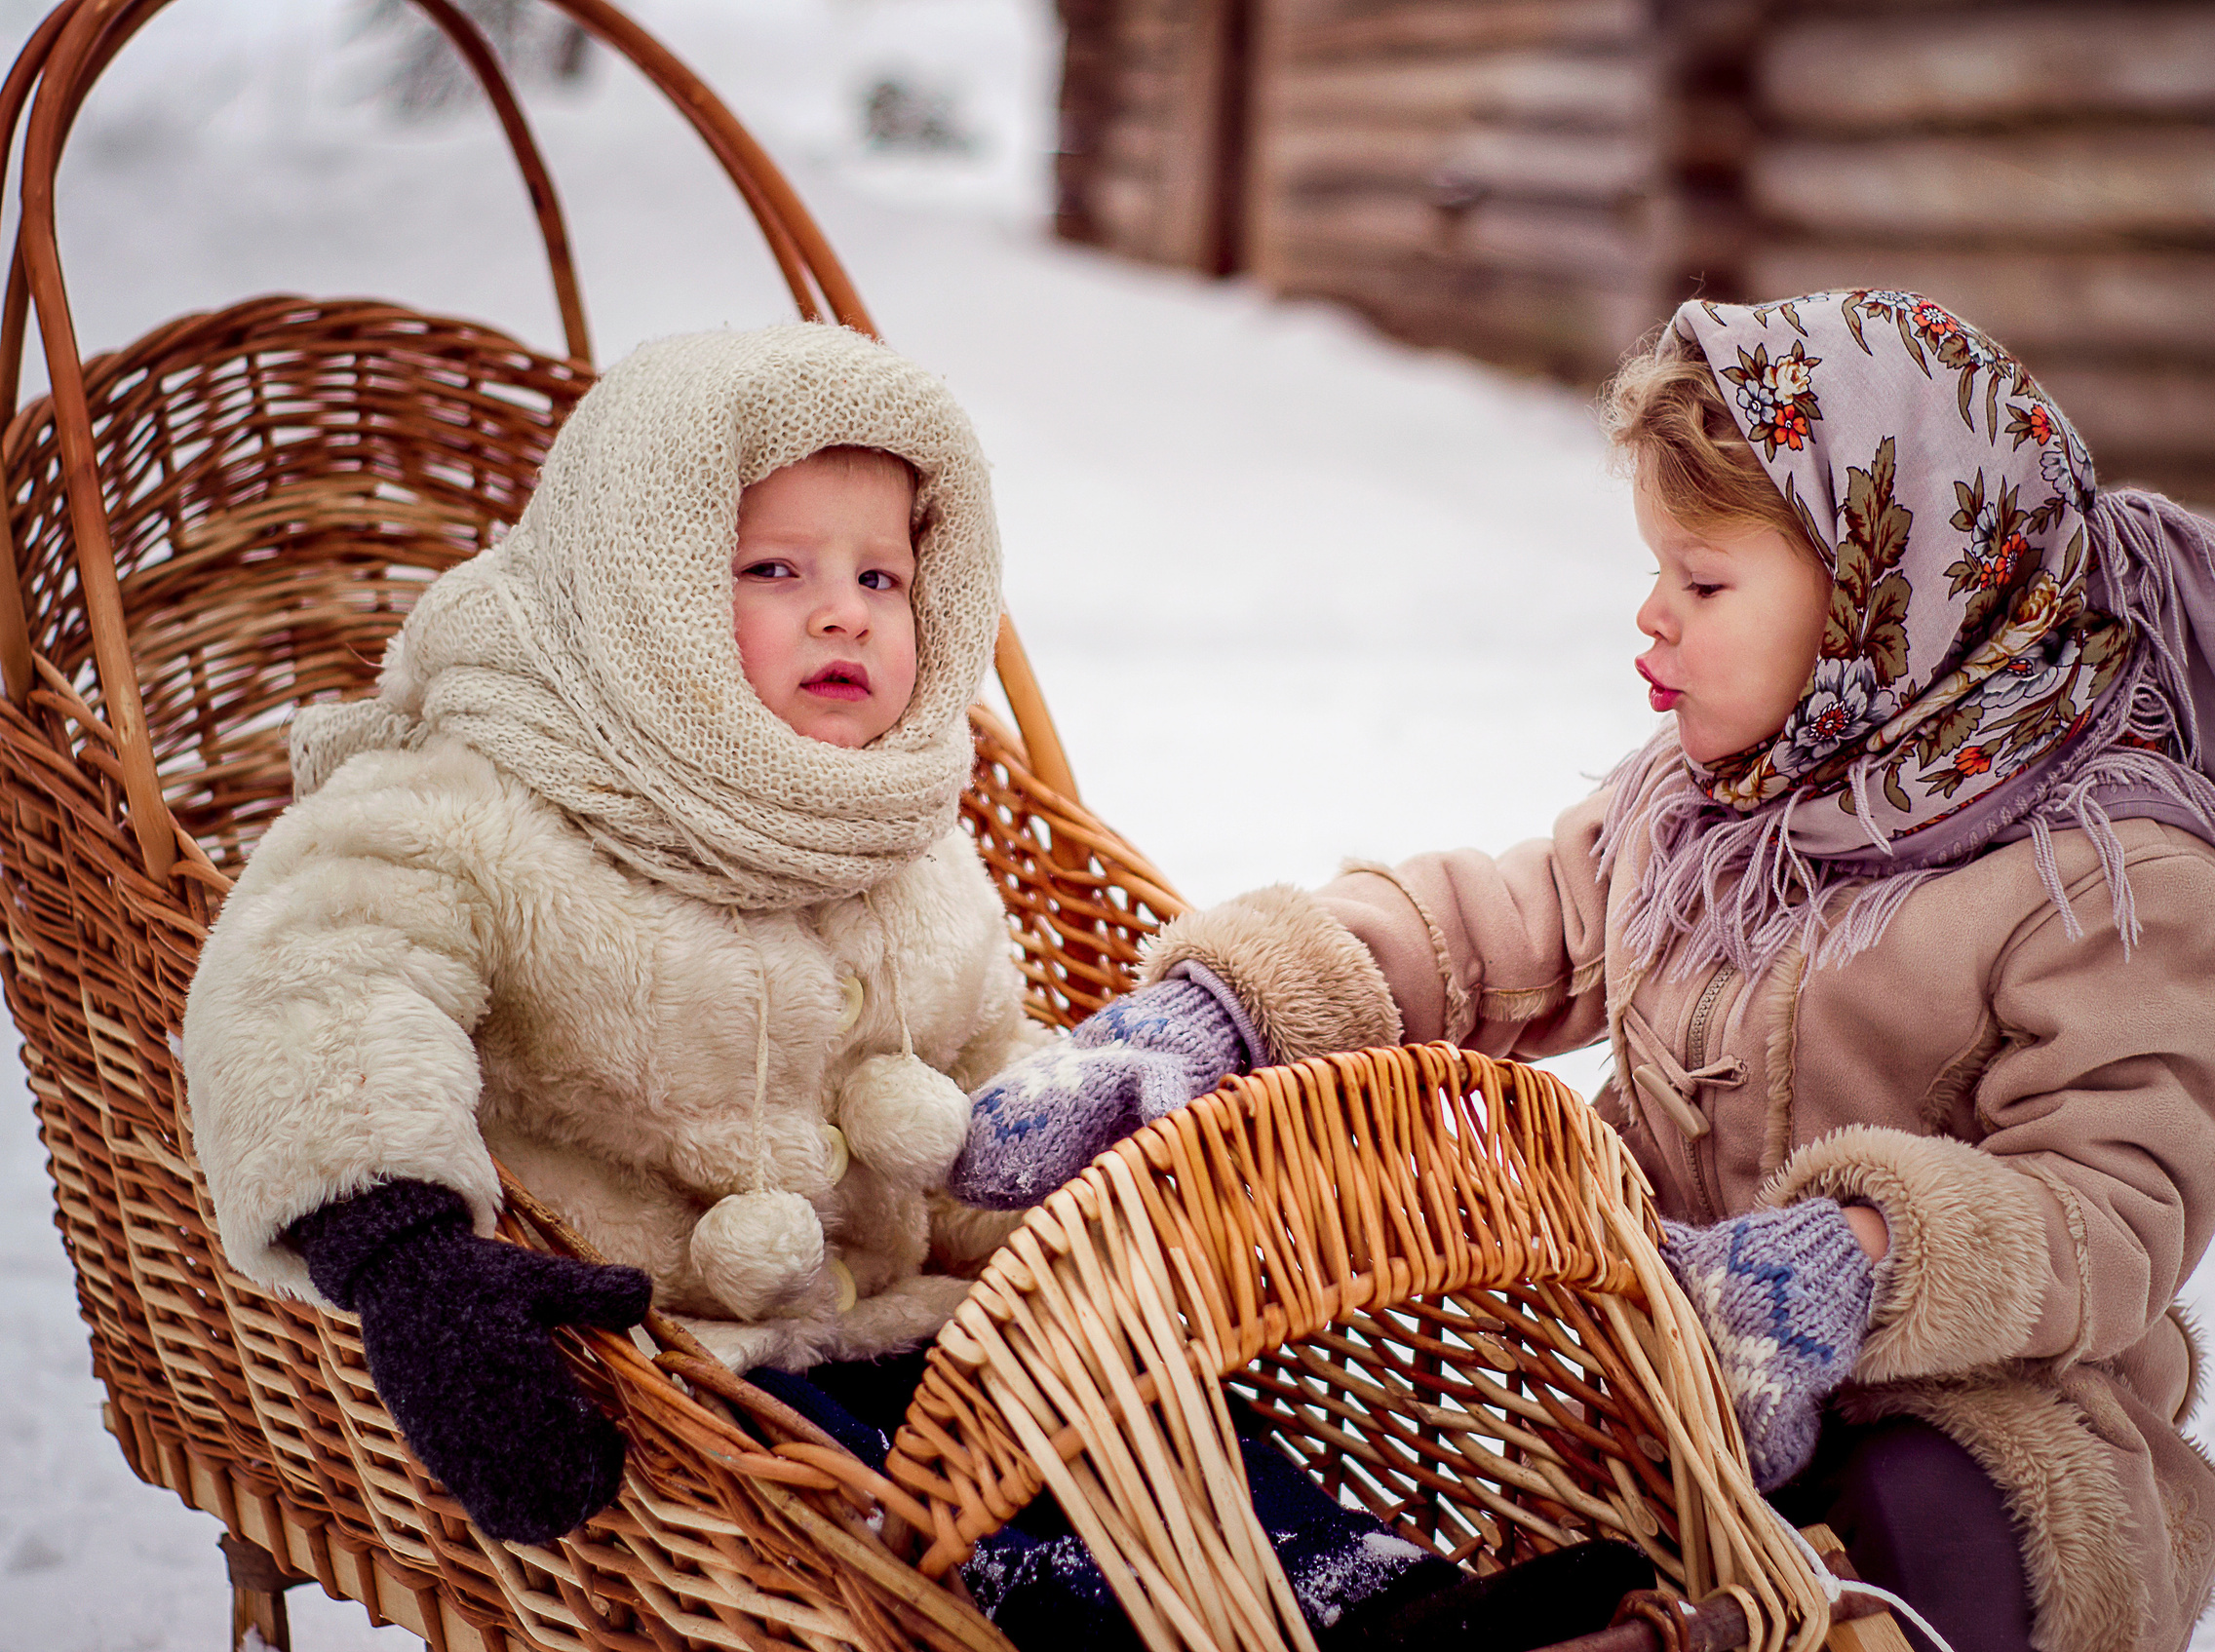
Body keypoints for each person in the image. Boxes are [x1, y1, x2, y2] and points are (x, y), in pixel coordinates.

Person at [182, 323, 1649, 1652]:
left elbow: (974, 1071)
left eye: (881, 576)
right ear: (642, 590)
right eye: (777, 571)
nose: (847, 617)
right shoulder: (474, 801)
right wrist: (407, 1255)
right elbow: (317, 975)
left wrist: (1062, 1219)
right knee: (920, 1524)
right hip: (679, 1364)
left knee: (1134, 1408)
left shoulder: (904, 833)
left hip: (911, 1315)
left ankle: (1374, 1600)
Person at [953, 290, 2215, 1652]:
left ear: (1893, 600)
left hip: (1967, 1406)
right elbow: (1497, 926)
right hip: (1661, 1380)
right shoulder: (1713, 808)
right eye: (1657, 569)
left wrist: (1853, 1258)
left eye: (1701, 579)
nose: (1651, 614)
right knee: (1491, 1498)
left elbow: (2108, 1210)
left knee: (1933, 1508)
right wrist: (1235, 1002)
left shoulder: (2129, 890)